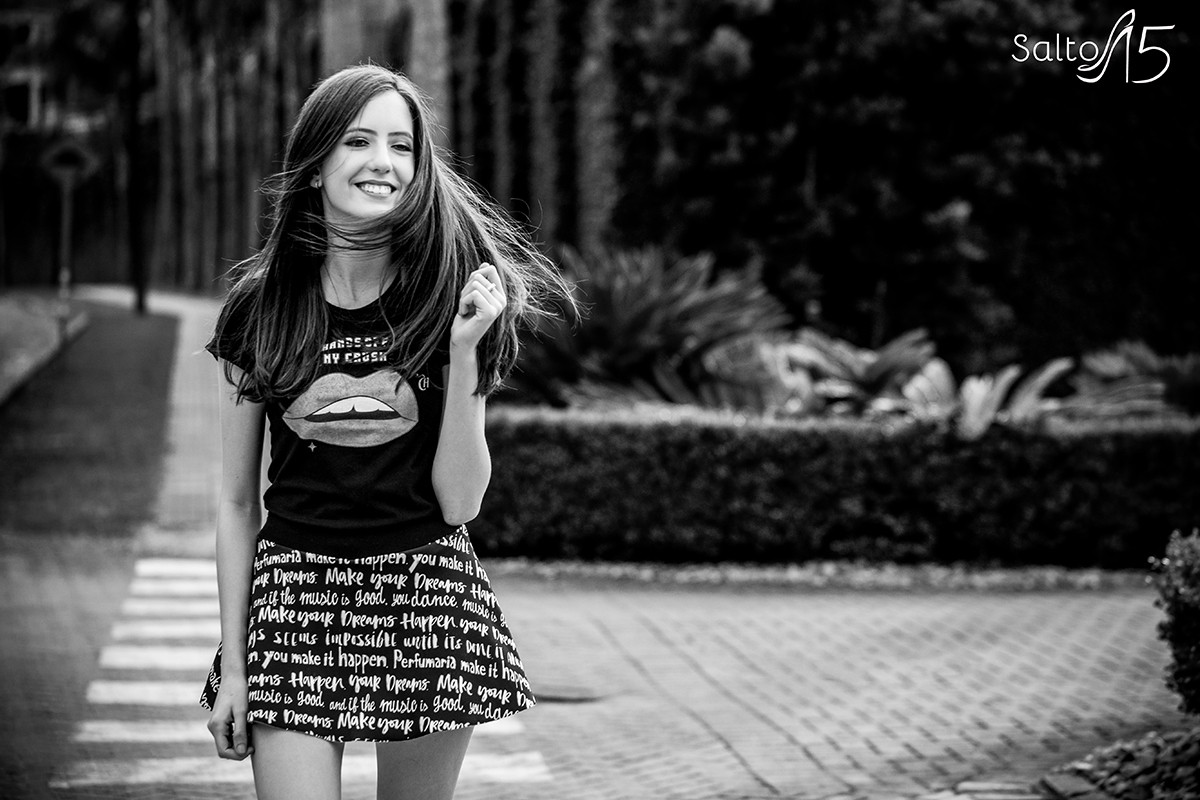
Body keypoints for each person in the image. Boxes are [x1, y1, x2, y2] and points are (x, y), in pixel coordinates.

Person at [199, 64, 573, 800]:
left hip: (425, 599)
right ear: (315, 166)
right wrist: (234, 668)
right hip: (294, 603)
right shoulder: (260, 307)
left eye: (402, 146)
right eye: (358, 140)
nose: (384, 162)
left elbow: (460, 502)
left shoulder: (448, 299)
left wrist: (464, 353)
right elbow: (238, 502)